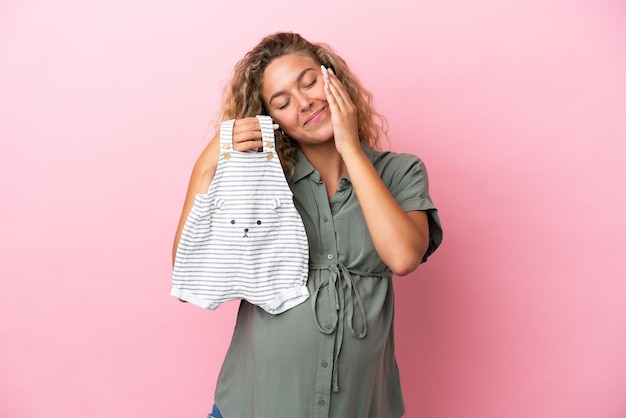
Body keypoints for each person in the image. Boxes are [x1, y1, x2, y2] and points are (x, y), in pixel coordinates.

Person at [172, 32, 443, 418]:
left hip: (360, 406)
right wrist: (206, 166)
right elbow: (191, 277)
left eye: (310, 82)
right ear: (273, 120)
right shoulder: (262, 181)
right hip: (256, 404)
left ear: (334, 79)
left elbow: (403, 257)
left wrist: (350, 146)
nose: (305, 103)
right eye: (282, 102)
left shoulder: (400, 172)